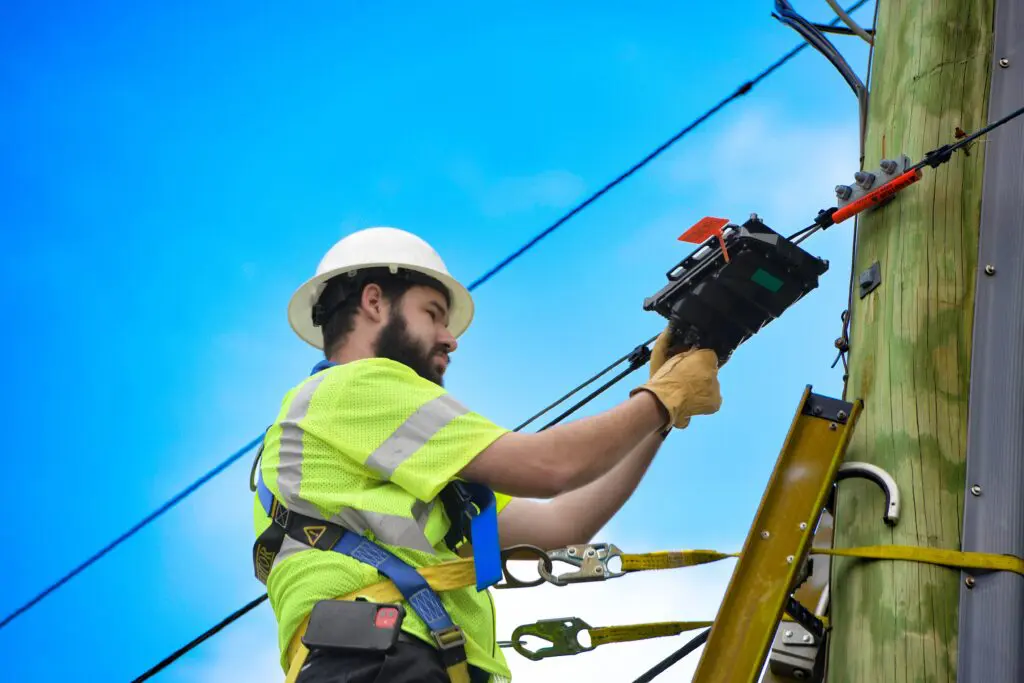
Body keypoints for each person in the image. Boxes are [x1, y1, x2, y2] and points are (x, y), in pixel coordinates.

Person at [252, 227, 722, 683]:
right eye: (433, 314)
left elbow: (561, 527)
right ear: (374, 301)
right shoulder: (353, 387)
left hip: (392, 659)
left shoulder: (394, 454)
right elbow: (549, 468)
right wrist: (660, 397)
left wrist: (661, 415)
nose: (450, 338)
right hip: (380, 660)